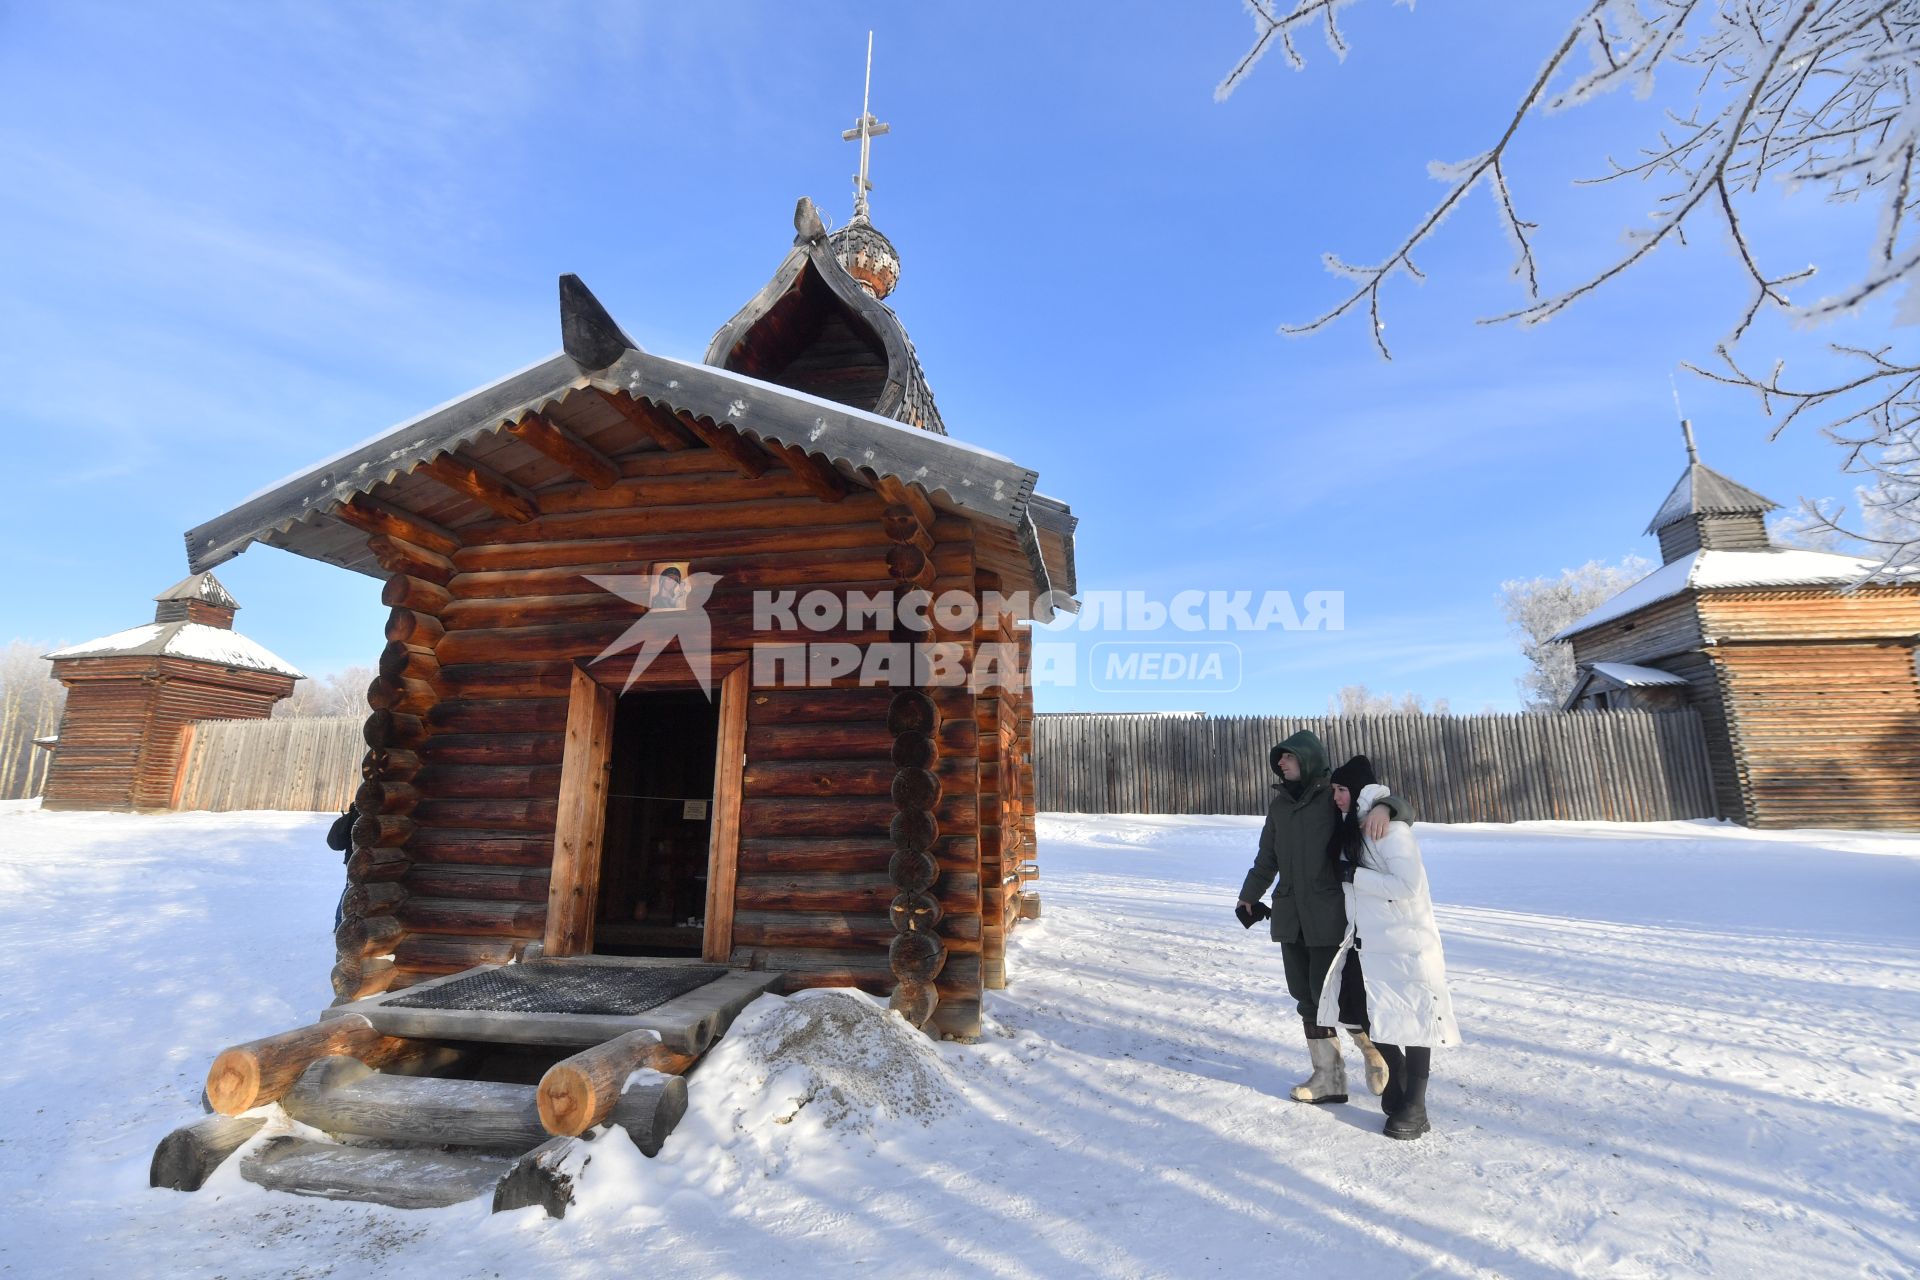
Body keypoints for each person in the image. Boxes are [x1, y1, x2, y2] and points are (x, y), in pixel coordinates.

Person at [1237, 730, 1415, 1105]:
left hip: (1330, 913)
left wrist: (1387, 808)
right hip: (1290, 913)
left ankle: (1372, 1051)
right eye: (1279, 759)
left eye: (1288, 757)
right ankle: (1329, 1078)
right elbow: (1267, 857)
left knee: (1332, 992)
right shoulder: (1280, 806)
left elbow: (1385, 800)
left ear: (1308, 758)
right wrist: (1249, 895)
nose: (1281, 763)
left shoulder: (1333, 796)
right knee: (1304, 996)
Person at [1318, 754, 1461, 1140]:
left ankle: (1416, 1104)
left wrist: (1353, 874)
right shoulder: (1354, 829)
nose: (1337, 797)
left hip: (1405, 942)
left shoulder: (1390, 830)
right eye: (1334, 790)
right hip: (1367, 942)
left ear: (1361, 791)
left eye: (1342, 790)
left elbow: (1407, 887)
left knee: (1415, 1020)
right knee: (1361, 1011)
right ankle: (1396, 1074)